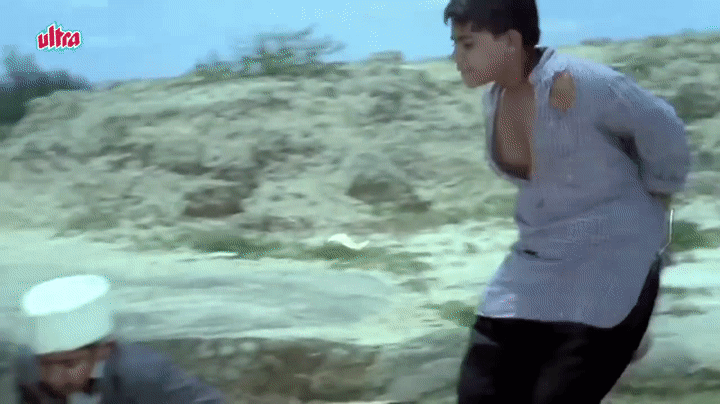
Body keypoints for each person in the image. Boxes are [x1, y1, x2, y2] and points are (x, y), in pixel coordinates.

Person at [443, 0, 691, 403]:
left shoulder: (585, 82)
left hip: (611, 266)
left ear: (510, 40)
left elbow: (663, 128)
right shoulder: (495, 99)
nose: (457, 57)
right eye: (455, 44)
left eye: (468, 44)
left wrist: (657, 198)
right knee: (479, 392)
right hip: (535, 265)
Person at [14, 274, 227, 404]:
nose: (56, 378)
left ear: (104, 351)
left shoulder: (144, 374)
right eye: (46, 365)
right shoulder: (30, 373)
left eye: (69, 364)